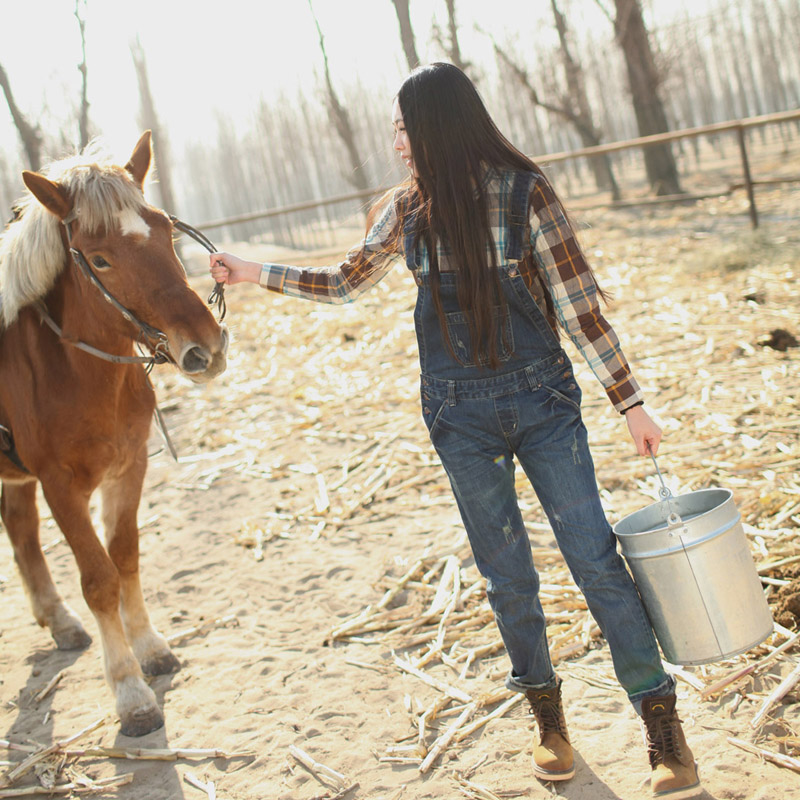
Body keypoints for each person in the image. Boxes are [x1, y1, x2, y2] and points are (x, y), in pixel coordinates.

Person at [209, 62, 701, 799]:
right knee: (507, 578)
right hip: (457, 416)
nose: (396, 141)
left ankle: (662, 729)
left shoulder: (526, 194)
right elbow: (346, 281)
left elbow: (578, 309)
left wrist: (631, 403)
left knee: (595, 560)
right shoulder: (405, 211)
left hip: (543, 406)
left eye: (405, 126)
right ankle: (550, 724)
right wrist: (253, 272)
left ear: (437, 125)